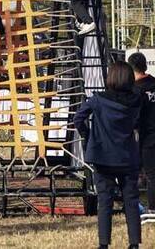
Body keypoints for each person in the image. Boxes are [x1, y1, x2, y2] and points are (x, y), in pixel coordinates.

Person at [74, 61, 142, 249]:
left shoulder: (98, 100)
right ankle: (134, 243)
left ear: (110, 78)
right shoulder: (137, 100)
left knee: (105, 202)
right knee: (131, 201)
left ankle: (104, 244)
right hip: (128, 157)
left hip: (102, 157)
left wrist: (87, 135)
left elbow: (78, 118)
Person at [128, 52, 155, 216]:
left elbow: (135, 119)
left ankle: (152, 209)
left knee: (149, 175)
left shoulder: (135, 91)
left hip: (145, 137)